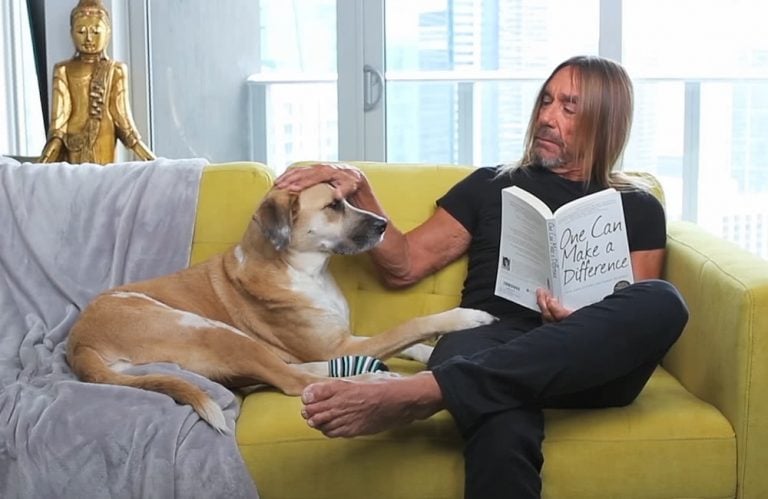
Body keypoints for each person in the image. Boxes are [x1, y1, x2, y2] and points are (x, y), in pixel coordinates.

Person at [275, 55, 689, 499]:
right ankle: (452, 387)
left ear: (606, 121)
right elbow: (405, 265)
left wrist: (576, 323)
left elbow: (634, 320)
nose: (547, 117)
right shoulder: (491, 184)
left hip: (587, 362)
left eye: (569, 108)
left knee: (663, 300)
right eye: (546, 101)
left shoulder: (639, 206)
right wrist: (361, 189)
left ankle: (425, 393)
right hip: (490, 337)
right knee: (500, 409)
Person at [38, 0, 155, 164]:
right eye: (81, 31)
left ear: (108, 32)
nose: (88, 39)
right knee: (75, 185)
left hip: (103, 137)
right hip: (72, 141)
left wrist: (149, 159)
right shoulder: (63, 70)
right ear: (71, 33)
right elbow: (59, 122)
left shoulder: (115, 70)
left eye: (95, 32)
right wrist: (45, 157)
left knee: (104, 184)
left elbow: (123, 119)